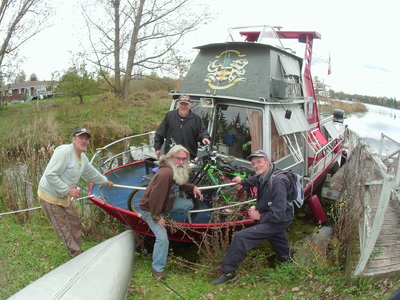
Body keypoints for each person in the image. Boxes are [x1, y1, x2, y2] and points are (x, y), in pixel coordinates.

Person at [211, 150, 294, 285]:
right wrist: (242, 181)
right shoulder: (266, 174)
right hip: (275, 218)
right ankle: (288, 262)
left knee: (242, 237)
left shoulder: (278, 181)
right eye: (253, 163)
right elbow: (255, 180)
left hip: (277, 219)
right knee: (278, 239)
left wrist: (260, 216)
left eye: (259, 162)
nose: (256, 166)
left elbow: (278, 214)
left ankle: (229, 273)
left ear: (267, 162)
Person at [38, 127, 113, 257]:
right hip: (49, 196)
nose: (84, 140)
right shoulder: (64, 152)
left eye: (86, 138)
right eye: (81, 137)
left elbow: (91, 173)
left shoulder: (82, 157)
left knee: (75, 222)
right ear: (73, 139)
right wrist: (68, 190)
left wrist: (105, 181)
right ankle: (76, 254)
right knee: (63, 228)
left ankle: (78, 249)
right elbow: (50, 174)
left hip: (63, 196)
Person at [139, 145, 203, 280]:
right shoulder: (165, 174)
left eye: (183, 159)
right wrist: (156, 217)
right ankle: (157, 269)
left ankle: (166, 218)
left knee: (187, 204)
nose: (181, 162)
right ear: (170, 158)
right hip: (150, 209)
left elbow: (179, 185)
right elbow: (155, 197)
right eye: (178, 159)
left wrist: (192, 187)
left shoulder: (173, 170)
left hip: (165, 206)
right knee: (162, 239)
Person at [154, 94, 211, 160]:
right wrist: (157, 148)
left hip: (189, 157)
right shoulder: (170, 116)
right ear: (178, 104)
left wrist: (205, 138)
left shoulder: (196, 119)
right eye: (182, 104)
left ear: (190, 105)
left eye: (186, 104)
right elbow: (160, 133)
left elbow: (202, 132)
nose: (183, 106)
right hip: (171, 156)